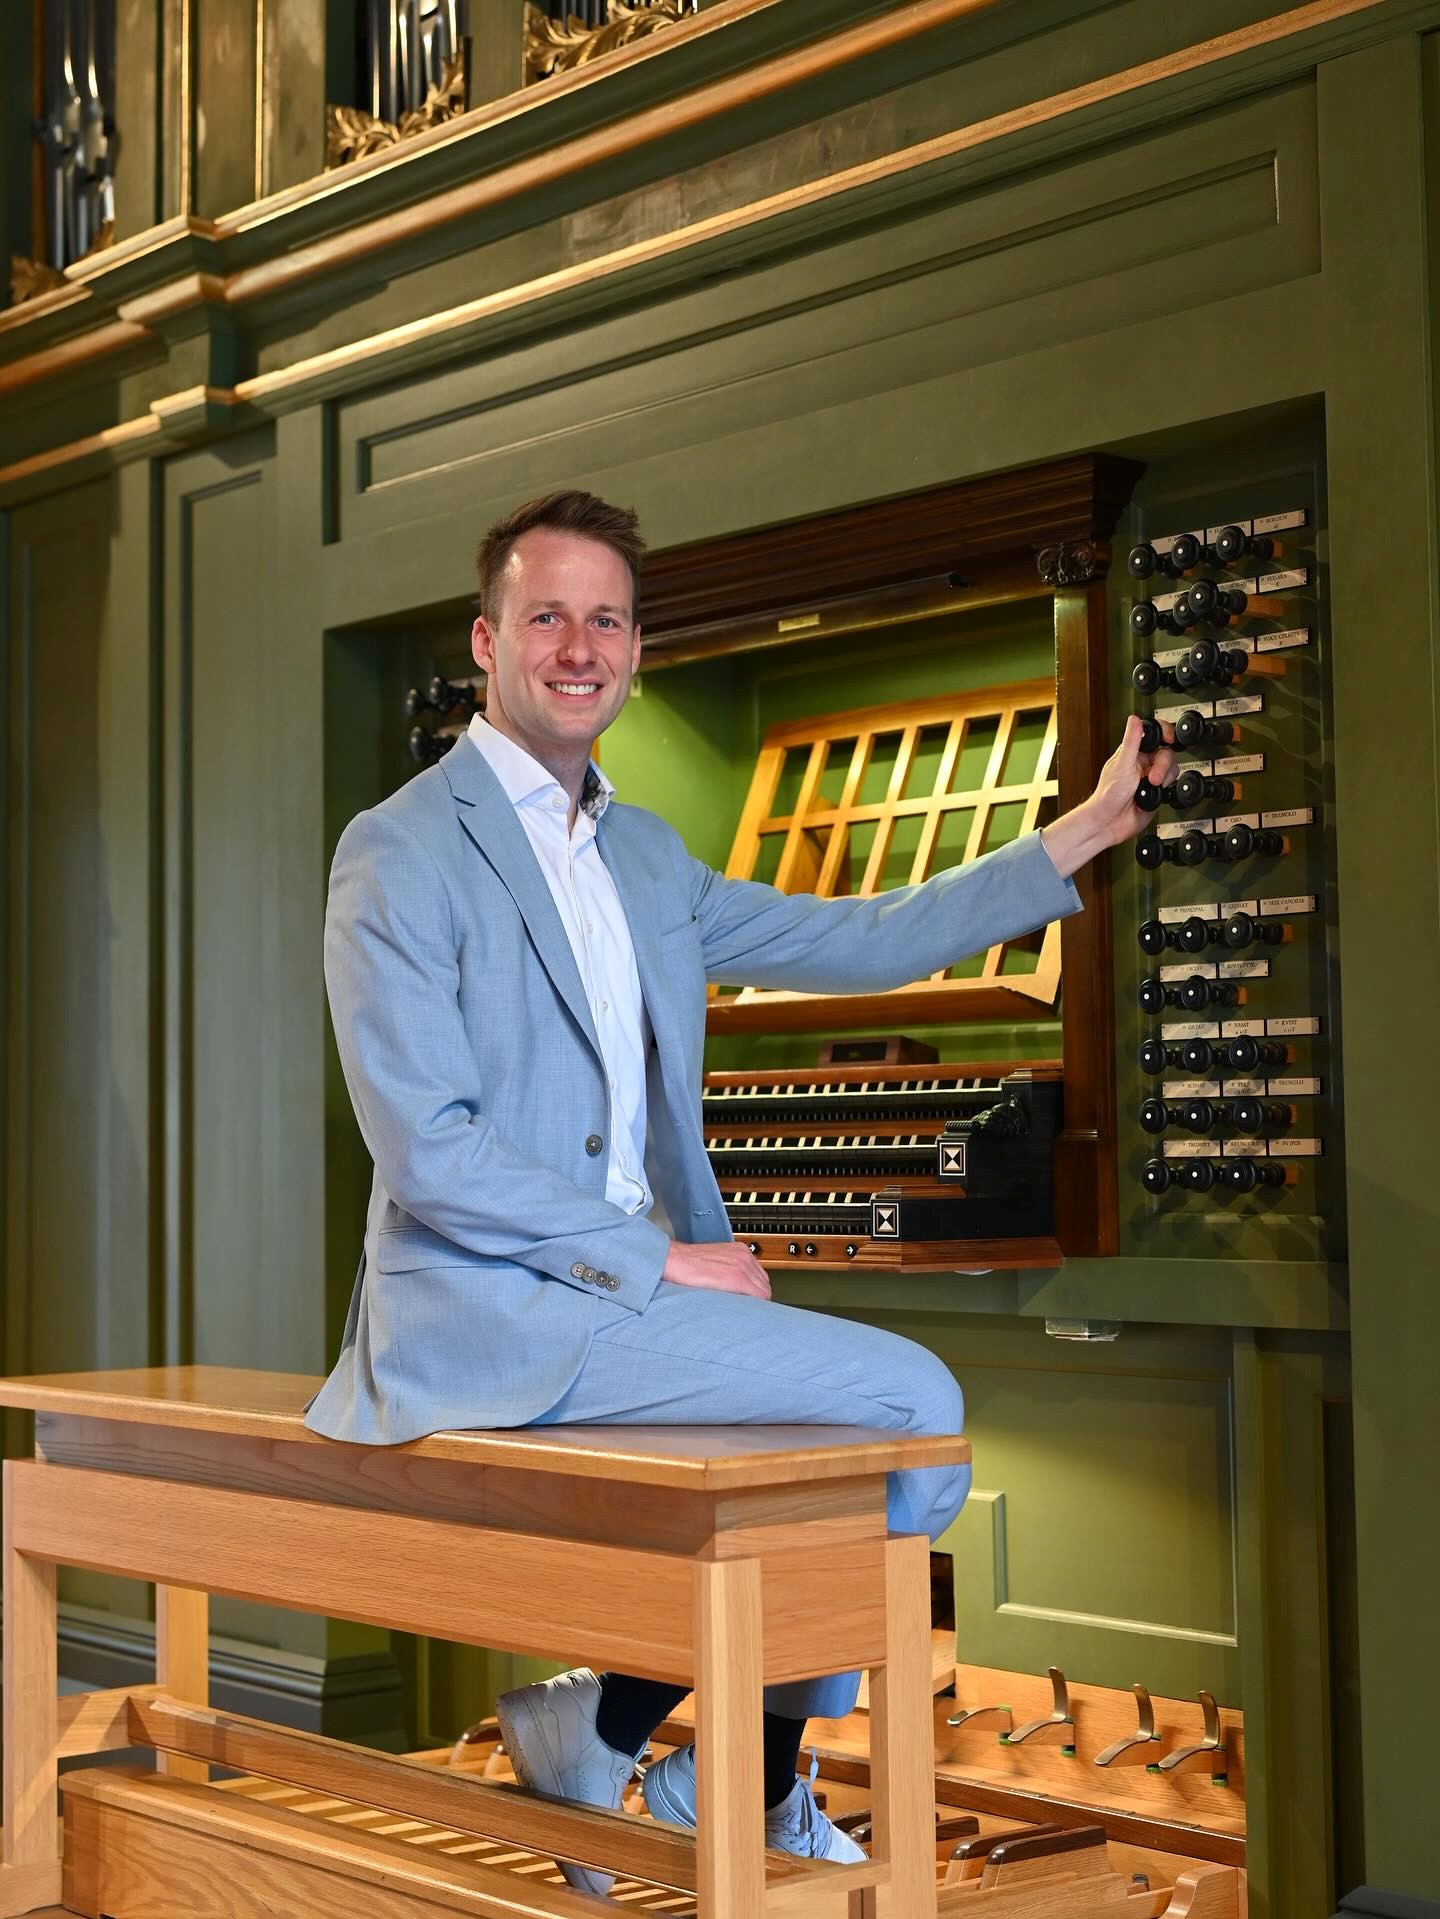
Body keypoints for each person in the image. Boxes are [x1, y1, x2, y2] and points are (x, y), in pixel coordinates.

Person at [304, 488, 1173, 1893]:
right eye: (548, 617)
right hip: (481, 1311)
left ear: (636, 650)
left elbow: (864, 933)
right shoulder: (399, 848)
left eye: (608, 619)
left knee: (839, 1446)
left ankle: (636, 1732)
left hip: (608, 1312)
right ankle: (718, 1766)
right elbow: (429, 1148)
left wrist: (1075, 837)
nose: (579, 646)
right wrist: (652, 1260)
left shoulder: (647, 855)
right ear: (487, 639)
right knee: (915, 1408)